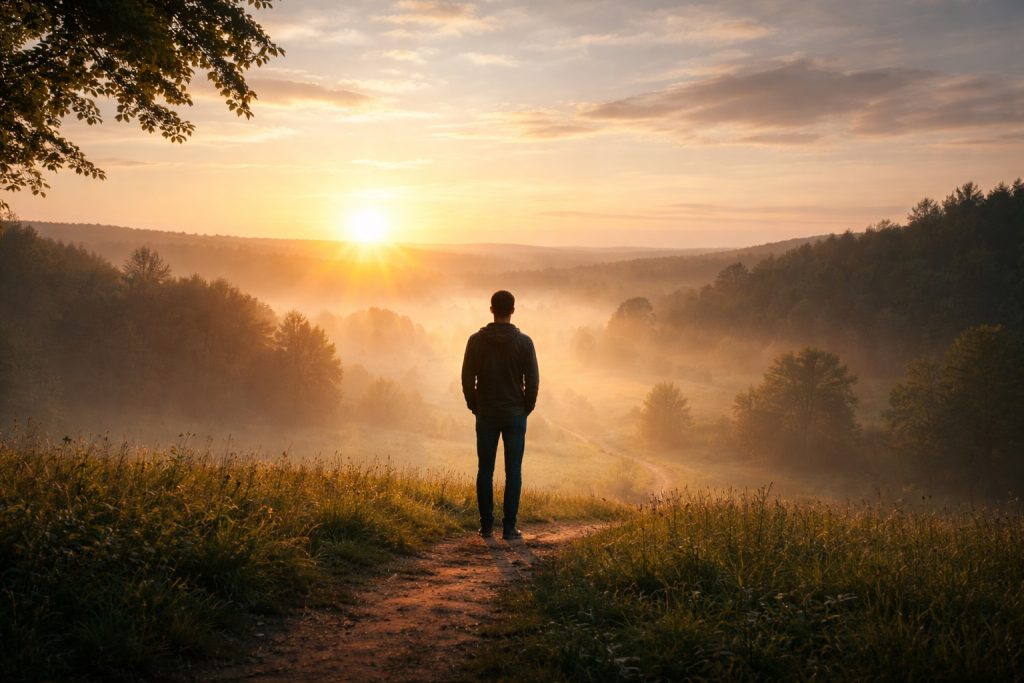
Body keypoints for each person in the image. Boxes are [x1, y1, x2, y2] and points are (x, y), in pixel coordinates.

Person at [461, 290, 539, 540]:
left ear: (491, 309)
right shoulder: (525, 342)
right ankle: (509, 528)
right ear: (513, 310)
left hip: (487, 414)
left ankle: (486, 527)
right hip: (515, 413)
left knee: (485, 470)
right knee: (513, 471)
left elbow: (466, 378)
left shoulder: (475, 341)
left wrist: (475, 405)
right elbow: (533, 381)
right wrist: (526, 407)